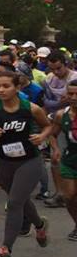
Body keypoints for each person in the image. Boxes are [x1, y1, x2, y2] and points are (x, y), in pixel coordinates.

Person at [0, 70, 53, 257]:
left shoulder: (31, 108)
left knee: (15, 202)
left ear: (17, 88)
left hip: (29, 161)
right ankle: (40, 224)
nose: (1, 90)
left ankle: (5, 248)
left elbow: (48, 126)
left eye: (6, 86)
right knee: (21, 200)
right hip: (4, 161)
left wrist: (42, 137)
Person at [48, 81, 77, 240]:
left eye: (76, 94)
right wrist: (56, 149)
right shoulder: (61, 114)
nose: (73, 97)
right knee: (69, 196)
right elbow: (52, 133)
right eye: (70, 94)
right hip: (69, 159)